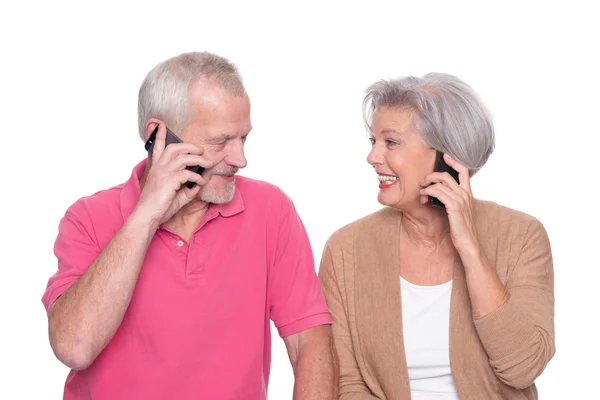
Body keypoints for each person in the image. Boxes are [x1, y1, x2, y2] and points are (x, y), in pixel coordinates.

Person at [42, 51, 337, 400]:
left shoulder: (272, 211)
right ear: (159, 135)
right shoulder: (88, 218)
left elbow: (309, 342)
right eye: (220, 142)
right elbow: (74, 347)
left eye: (243, 138)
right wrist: (146, 217)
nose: (240, 159)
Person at [318, 73, 555, 399]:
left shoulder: (522, 236)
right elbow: (348, 382)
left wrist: (470, 249)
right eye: (373, 142)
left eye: (392, 142)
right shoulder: (346, 250)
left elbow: (523, 367)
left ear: (447, 157)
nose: (373, 157)